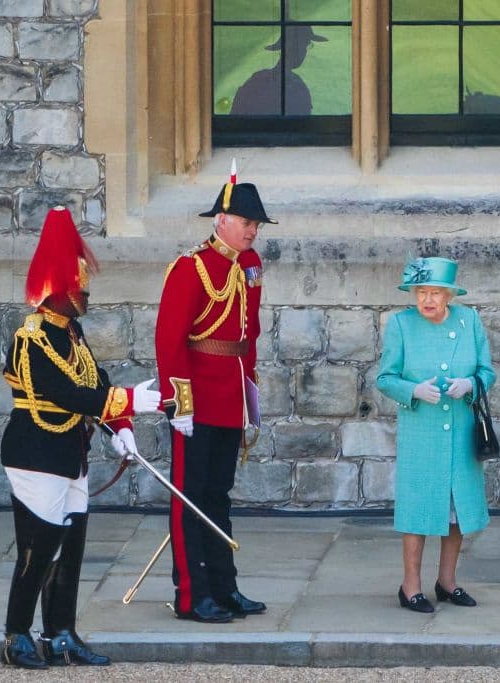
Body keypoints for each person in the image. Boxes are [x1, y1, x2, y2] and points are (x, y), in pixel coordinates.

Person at [0, 207, 161, 668]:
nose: (84, 293)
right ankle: (16, 634)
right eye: (77, 287)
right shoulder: (31, 339)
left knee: (70, 544)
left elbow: (96, 381)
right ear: (56, 290)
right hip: (35, 451)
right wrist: (129, 402)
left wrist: (121, 428)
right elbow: (66, 393)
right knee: (39, 546)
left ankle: (60, 634)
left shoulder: (72, 332)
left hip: (70, 451)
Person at [155, 173, 276, 623]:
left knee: (218, 497)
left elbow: (250, 335)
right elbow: (170, 341)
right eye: (246, 221)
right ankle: (192, 594)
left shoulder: (249, 266)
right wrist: (178, 401)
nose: (252, 230)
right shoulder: (192, 268)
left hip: (229, 398)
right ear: (221, 220)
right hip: (197, 399)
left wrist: (249, 393)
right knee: (190, 497)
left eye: (256, 224)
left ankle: (224, 588)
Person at [377, 257, 496, 612]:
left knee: (456, 509)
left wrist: (470, 384)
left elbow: (487, 372)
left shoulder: (469, 320)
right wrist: (413, 391)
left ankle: (447, 582)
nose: (427, 300)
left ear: (449, 295)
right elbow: (385, 378)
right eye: (421, 292)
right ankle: (410, 586)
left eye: (435, 293)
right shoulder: (401, 325)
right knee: (418, 510)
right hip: (421, 433)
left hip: (460, 430)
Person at [229, 25, 327, 116]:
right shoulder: (298, 87)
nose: (305, 51)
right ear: (292, 47)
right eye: (305, 45)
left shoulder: (256, 80)